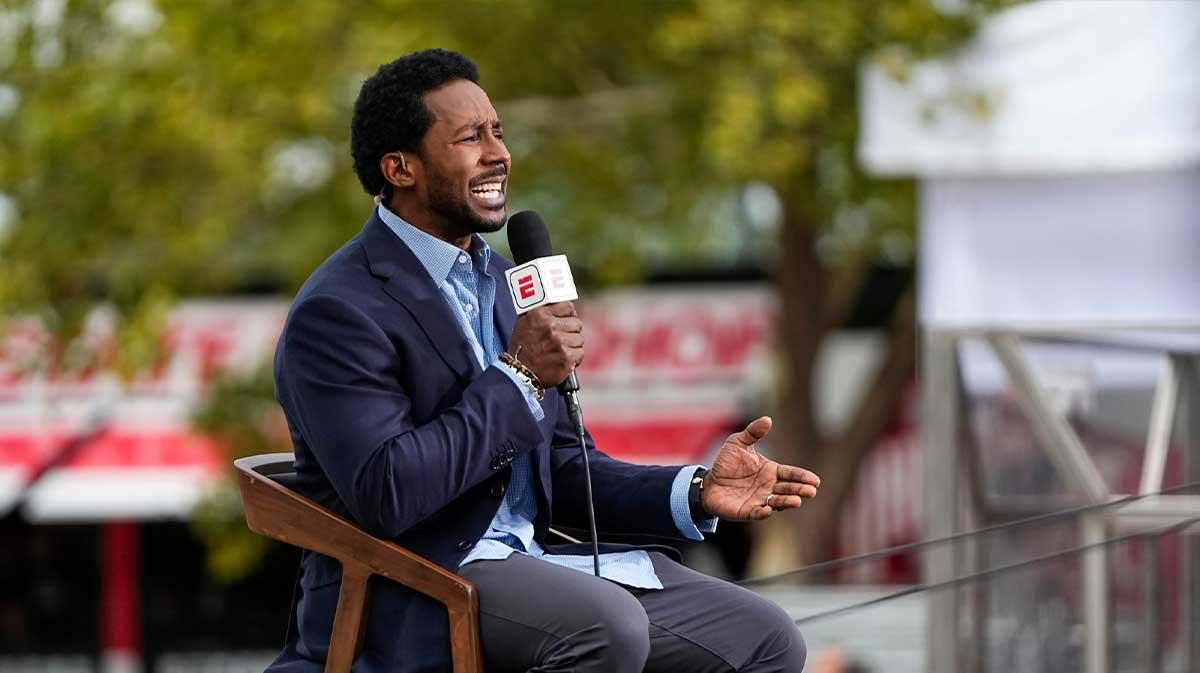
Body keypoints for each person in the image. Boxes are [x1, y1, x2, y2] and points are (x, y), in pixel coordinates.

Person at [269, 48, 821, 673]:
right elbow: (388, 492)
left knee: (764, 635)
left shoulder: (508, 284)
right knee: (604, 628)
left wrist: (695, 492)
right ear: (401, 168)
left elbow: (564, 467)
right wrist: (521, 374)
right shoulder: (340, 309)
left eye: (498, 132)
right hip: (420, 585)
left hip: (541, 561)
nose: (498, 153)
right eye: (469, 138)